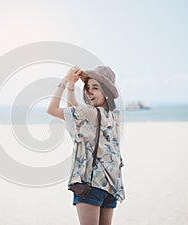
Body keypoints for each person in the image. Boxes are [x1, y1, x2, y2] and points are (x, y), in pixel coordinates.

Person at [46, 66, 125, 225]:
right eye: (87, 88)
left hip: (90, 185)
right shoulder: (114, 115)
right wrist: (71, 86)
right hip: (110, 186)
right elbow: (74, 109)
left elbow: (52, 109)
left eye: (95, 88)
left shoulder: (89, 113)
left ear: (106, 92)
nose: (89, 92)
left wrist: (65, 80)